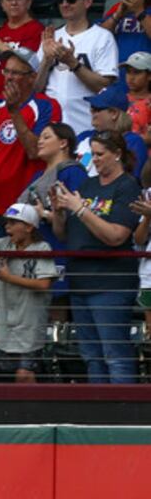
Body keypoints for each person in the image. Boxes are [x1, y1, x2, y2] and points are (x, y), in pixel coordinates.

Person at [55, 128, 141, 382]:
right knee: (91, 356)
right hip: (80, 282)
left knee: (115, 354)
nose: (95, 160)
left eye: (101, 154)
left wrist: (80, 209)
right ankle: (99, 416)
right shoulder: (88, 184)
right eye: (92, 154)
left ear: (117, 154)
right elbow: (63, 235)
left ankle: (123, 417)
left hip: (110, 283)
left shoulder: (127, 186)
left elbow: (116, 236)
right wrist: (60, 212)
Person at [0, 202, 58, 382]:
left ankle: (32, 410)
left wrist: (7, 277)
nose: (7, 227)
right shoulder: (3, 244)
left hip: (30, 323)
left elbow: (44, 284)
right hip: (5, 325)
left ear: (28, 227)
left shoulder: (42, 248)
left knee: (25, 374)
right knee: (9, 376)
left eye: (13, 223)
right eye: (7, 223)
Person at [0, 52, 57, 238]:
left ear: (32, 77)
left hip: (26, 206)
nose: (9, 77)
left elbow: (34, 152)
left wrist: (14, 112)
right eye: (7, 71)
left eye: (16, 73)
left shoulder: (46, 106)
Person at [37, 0, 121, 141]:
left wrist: (73, 64)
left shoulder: (102, 37)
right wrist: (46, 61)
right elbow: (35, 87)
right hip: (52, 128)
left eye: (71, 0)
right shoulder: (52, 37)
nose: (65, 4)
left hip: (86, 126)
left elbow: (104, 87)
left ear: (88, 2)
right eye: (61, 0)